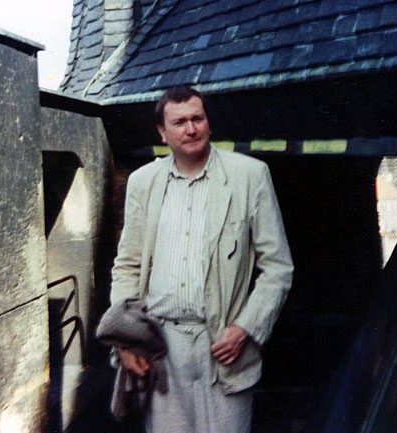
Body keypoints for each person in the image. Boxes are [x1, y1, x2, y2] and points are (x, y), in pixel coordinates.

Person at [110, 85, 293, 433]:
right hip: (161, 348)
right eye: (179, 122)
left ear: (209, 123)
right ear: (163, 133)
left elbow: (278, 267)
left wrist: (246, 328)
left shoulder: (250, 176)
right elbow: (128, 265)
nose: (191, 129)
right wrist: (128, 339)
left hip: (224, 346)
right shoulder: (142, 182)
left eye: (198, 118)